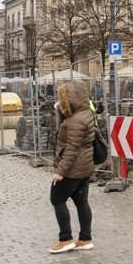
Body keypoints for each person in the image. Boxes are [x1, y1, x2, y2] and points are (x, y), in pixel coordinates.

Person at [48, 81, 96, 254]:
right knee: (82, 202)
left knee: (57, 199)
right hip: (85, 167)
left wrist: (60, 172)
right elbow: (67, 123)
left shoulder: (76, 121)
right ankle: (85, 239)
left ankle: (65, 239)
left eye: (63, 98)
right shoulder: (85, 113)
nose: (61, 101)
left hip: (73, 169)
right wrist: (60, 109)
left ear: (71, 99)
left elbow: (72, 149)